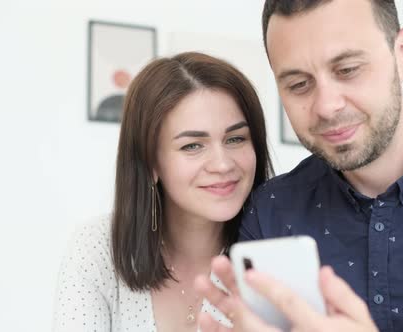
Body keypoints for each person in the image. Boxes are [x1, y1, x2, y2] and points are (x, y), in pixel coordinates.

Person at [196, 0, 403, 331]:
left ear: (402, 54)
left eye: (347, 70)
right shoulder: (269, 213)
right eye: (298, 84)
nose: (327, 106)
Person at [52, 51, 274, 332]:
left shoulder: (273, 258)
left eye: (235, 138)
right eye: (192, 145)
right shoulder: (97, 248)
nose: (222, 164)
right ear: (150, 161)